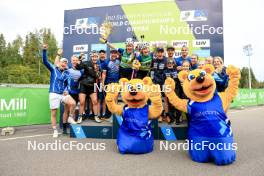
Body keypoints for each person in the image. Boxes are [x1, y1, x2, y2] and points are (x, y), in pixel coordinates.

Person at [42, 44, 76, 138]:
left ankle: (70, 117)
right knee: (54, 113)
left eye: (66, 63)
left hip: (62, 94)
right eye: (62, 62)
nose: (64, 63)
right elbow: (45, 61)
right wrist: (44, 50)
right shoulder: (53, 69)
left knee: (73, 103)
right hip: (53, 94)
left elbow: (68, 84)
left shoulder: (66, 73)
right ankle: (55, 130)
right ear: (59, 63)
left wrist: (66, 90)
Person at [76, 51, 101, 123]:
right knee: (82, 102)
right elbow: (78, 67)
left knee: (95, 101)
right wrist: (80, 59)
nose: (94, 58)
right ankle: (80, 117)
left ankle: (96, 116)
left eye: (96, 56)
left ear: (97, 57)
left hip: (92, 86)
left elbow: (98, 77)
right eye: (93, 56)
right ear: (91, 57)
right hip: (84, 85)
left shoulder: (99, 65)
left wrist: (97, 71)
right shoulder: (86, 63)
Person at [150, 47, 167, 123]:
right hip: (156, 82)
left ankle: (165, 115)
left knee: (165, 99)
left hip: (164, 82)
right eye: (158, 52)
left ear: (163, 53)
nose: (160, 54)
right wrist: (152, 80)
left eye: (161, 52)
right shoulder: (154, 60)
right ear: (156, 53)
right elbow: (152, 70)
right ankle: (159, 115)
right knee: (157, 99)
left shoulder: (166, 60)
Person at [164, 59, 182, 124]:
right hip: (168, 90)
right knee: (170, 105)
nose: (170, 64)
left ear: (174, 64)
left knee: (177, 104)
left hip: (177, 90)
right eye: (168, 63)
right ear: (166, 64)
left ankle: (177, 119)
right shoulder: (164, 71)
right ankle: (172, 119)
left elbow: (180, 79)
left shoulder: (177, 71)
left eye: (171, 63)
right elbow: (162, 80)